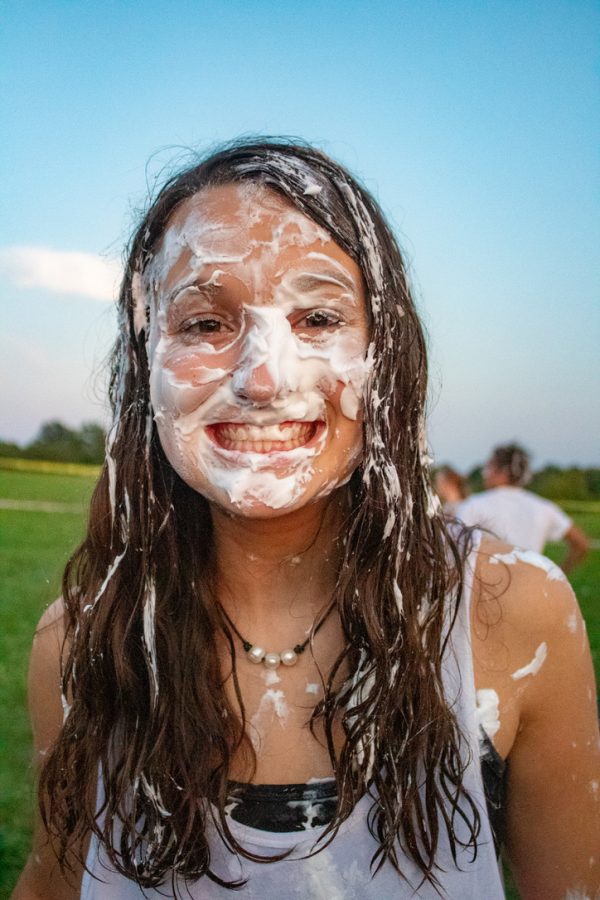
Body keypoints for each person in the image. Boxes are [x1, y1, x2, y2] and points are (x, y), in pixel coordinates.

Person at [13, 141, 599, 900]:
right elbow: (52, 883)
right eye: (204, 323)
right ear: (145, 357)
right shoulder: (81, 641)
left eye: (318, 317)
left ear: (383, 355)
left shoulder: (513, 614)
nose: (264, 377)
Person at [456, 443, 589, 573]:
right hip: (531, 590)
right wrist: (556, 578)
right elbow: (581, 543)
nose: (485, 474)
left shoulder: (474, 504)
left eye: (489, 467)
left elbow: (455, 547)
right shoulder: (544, 507)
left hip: (488, 589)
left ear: (501, 472)